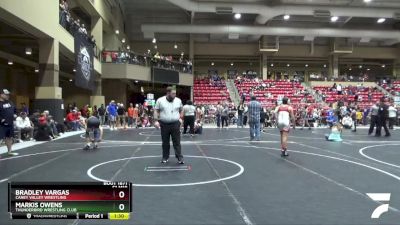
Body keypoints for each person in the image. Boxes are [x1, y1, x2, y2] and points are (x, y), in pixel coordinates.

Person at [154, 87, 184, 164]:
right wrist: (156, 121)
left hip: (175, 124)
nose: (175, 95)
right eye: (173, 93)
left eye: (175, 93)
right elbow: (156, 110)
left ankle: (179, 158)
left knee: (177, 142)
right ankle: (165, 157)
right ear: (168, 93)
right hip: (164, 124)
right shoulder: (160, 100)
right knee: (165, 142)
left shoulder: (178, 100)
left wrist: (181, 119)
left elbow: (181, 110)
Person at [0, 89, 18, 156]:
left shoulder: (10, 102)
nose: (8, 95)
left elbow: (15, 109)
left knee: (9, 137)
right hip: (1, 124)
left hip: (10, 123)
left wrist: (15, 114)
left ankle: (9, 151)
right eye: (6, 94)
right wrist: (1, 120)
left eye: (8, 94)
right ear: (1, 95)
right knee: (0, 138)